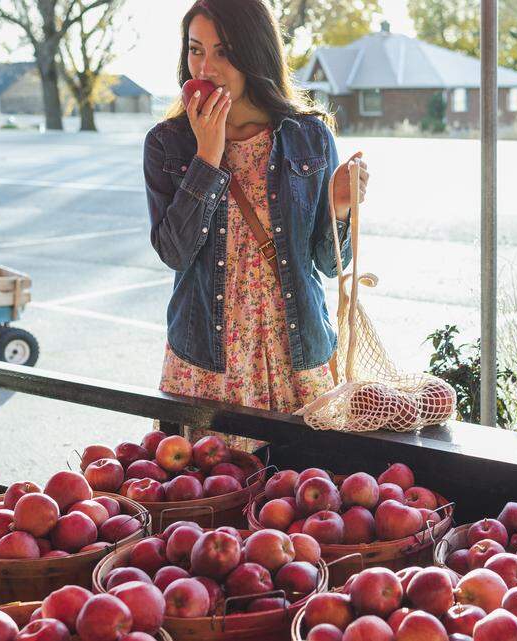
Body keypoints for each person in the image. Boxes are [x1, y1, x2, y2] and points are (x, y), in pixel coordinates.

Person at [143, 0, 370, 446]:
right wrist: (206, 158)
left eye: (223, 51)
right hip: (209, 362)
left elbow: (327, 262)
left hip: (296, 356)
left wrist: (341, 207)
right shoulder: (167, 144)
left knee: (304, 500)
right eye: (194, 49)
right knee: (213, 499)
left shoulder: (310, 137)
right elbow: (174, 252)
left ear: (255, 52)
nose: (204, 67)